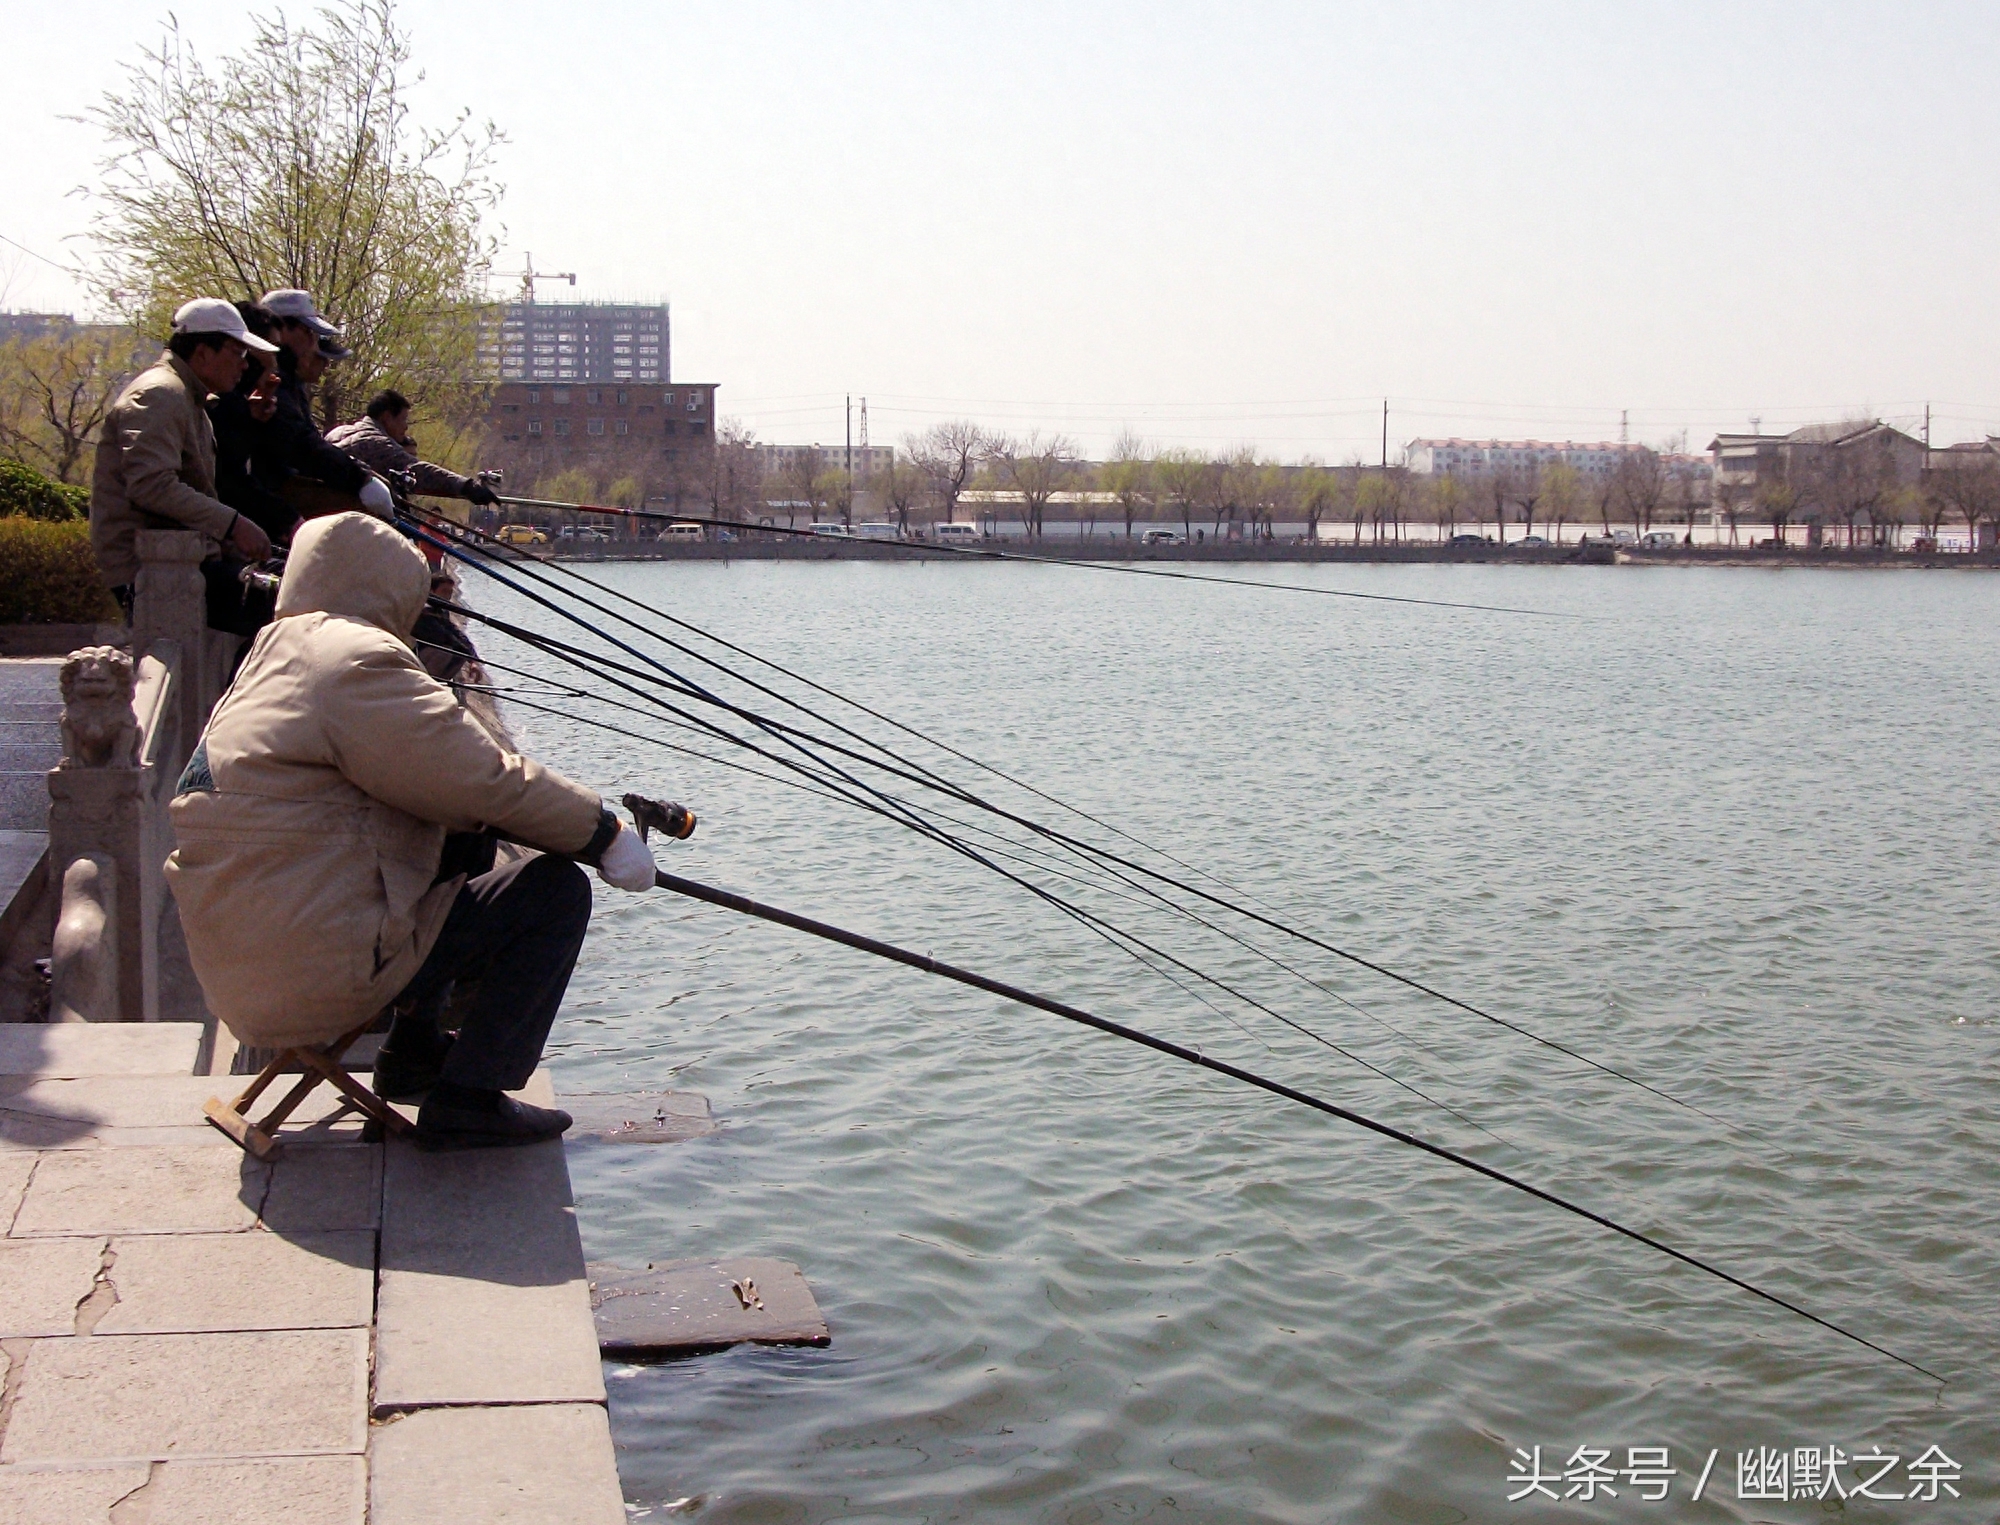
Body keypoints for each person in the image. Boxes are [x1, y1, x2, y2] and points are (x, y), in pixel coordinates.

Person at [166, 511, 663, 1149]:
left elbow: (451, 793)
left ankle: (413, 1057)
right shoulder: (352, 659)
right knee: (553, 892)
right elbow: (483, 778)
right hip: (316, 971)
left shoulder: (270, 654)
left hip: (242, 971)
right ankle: (469, 1098)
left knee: (465, 834)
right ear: (390, 586)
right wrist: (604, 835)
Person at [90, 298, 278, 617]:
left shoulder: (189, 397)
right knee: (287, 604)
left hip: (190, 561)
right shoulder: (160, 393)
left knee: (292, 585)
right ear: (203, 352)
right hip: (152, 575)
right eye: (239, 353)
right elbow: (151, 485)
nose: (246, 365)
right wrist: (233, 525)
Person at [258, 288, 395, 521]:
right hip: (265, 497)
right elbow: (301, 445)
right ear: (281, 328)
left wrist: (361, 473)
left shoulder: (290, 381)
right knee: (361, 517)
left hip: (278, 489)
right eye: (308, 332)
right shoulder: (270, 377)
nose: (314, 343)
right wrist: (359, 479)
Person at [328, 389, 501, 515]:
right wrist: (466, 487)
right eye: (403, 419)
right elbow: (418, 470)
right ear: (387, 417)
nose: (406, 427)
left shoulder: (337, 432)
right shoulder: (374, 442)